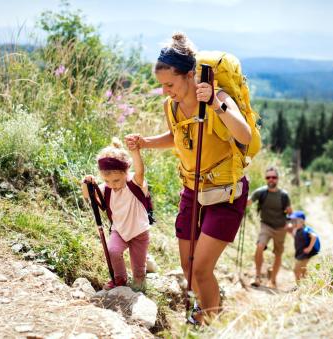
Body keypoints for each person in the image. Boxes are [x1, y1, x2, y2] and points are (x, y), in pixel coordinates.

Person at [125, 32, 251, 324]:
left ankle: (209, 321)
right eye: (162, 85)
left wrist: (217, 107)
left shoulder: (218, 97)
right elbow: (177, 136)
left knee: (201, 268)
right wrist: (145, 142)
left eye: (170, 84)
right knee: (187, 265)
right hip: (192, 190)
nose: (166, 90)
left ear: (190, 75)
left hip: (225, 192)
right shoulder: (171, 106)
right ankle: (204, 311)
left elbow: (243, 134)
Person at [81, 138, 150, 291]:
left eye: (117, 180)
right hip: (119, 230)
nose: (112, 185)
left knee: (138, 268)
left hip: (139, 232)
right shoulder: (107, 189)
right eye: (107, 180)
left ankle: (140, 283)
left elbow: (140, 171)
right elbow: (88, 196)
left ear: (126, 172)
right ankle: (120, 278)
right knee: (113, 251)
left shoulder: (134, 183)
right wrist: (86, 183)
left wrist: (135, 152)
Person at [247, 167, 292, 288]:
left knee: (278, 254)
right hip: (265, 225)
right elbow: (248, 202)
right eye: (268, 177)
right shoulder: (260, 192)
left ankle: (272, 280)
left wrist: (290, 219)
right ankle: (257, 276)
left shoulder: (284, 195)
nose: (271, 179)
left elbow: (289, 212)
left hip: (280, 228)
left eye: (274, 177)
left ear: (277, 179)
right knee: (259, 246)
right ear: (265, 179)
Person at [286, 210, 320, 283]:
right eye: (292, 221)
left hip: (306, 253)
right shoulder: (297, 230)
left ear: (302, 222)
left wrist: (309, 248)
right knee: (303, 269)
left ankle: (299, 285)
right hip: (301, 253)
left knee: (296, 270)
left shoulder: (306, 230)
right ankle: (307, 283)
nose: (293, 223)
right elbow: (298, 239)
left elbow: (314, 237)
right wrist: (291, 234)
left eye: (295, 221)